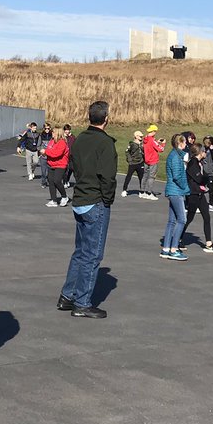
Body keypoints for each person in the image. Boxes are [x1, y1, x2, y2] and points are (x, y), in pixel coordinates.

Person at [58, 101, 115, 319]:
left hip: (81, 197)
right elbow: (108, 176)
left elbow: (74, 166)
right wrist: (107, 199)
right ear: (106, 118)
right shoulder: (105, 143)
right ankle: (82, 302)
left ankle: (67, 295)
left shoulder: (80, 139)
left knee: (81, 251)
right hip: (95, 200)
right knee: (92, 254)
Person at [183, 142, 213, 253]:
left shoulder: (200, 163)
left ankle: (209, 243)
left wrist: (205, 179)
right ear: (199, 152)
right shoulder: (192, 163)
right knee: (189, 217)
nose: (205, 153)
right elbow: (199, 178)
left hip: (200, 193)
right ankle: (178, 237)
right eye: (204, 151)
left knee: (206, 216)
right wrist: (207, 179)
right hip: (193, 193)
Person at [159, 133, 189, 261]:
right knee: (182, 219)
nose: (186, 144)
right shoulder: (175, 157)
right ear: (179, 143)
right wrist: (186, 187)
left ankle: (166, 248)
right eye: (184, 142)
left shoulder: (176, 155)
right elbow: (177, 176)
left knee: (172, 221)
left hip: (173, 191)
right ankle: (174, 249)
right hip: (176, 191)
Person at [43, 128, 70, 207]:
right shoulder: (51, 141)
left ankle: (64, 197)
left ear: (58, 133)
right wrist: (45, 153)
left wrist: (46, 152)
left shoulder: (62, 142)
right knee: (51, 181)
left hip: (60, 165)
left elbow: (56, 153)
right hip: (51, 164)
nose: (52, 133)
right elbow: (49, 150)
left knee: (57, 181)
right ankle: (53, 200)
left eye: (53, 132)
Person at [140, 124, 165, 199]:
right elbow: (160, 149)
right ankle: (149, 193)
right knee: (151, 177)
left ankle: (142, 191)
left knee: (145, 176)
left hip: (146, 159)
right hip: (153, 160)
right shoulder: (152, 140)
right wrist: (163, 144)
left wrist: (157, 142)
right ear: (153, 131)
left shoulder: (145, 139)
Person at [120, 130, 144, 197]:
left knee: (141, 177)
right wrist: (130, 160)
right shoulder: (132, 144)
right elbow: (127, 152)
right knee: (129, 176)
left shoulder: (142, 144)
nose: (141, 137)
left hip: (140, 162)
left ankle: (142, 191)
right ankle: (124, 190)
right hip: (133, 163)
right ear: (136, 136)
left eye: (142, 136)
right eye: (140, 136)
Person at [202, 136, 213, 208]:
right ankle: (200, 202)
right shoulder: (202, 149)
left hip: (211, 172)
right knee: (201, 187)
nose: (206, 144)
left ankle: (211, 203)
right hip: (203, 171)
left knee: (211, 188)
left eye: (208, 142)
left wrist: (212, 150)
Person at [36, 122, 54, 187]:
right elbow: (38, 145)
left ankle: (49, 181)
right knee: (43, 171)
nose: (47, 130)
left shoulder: (52, 135)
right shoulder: (41, 135)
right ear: (43, 129)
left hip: (50, 156)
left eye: (48, 128)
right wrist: (40, 151)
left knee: (49, 172)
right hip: (43, 156)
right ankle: (43, 182)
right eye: (45, 128)